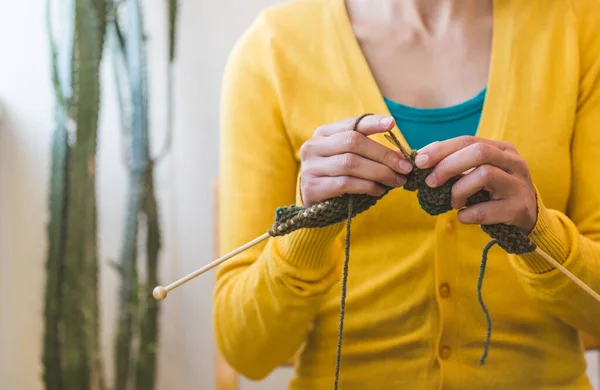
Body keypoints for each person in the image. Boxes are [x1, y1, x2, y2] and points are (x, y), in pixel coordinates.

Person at [213, 0, 600, 388]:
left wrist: (538, 228)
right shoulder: (273, 50)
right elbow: (247, 351)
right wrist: (309, 225)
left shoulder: (580, 28)